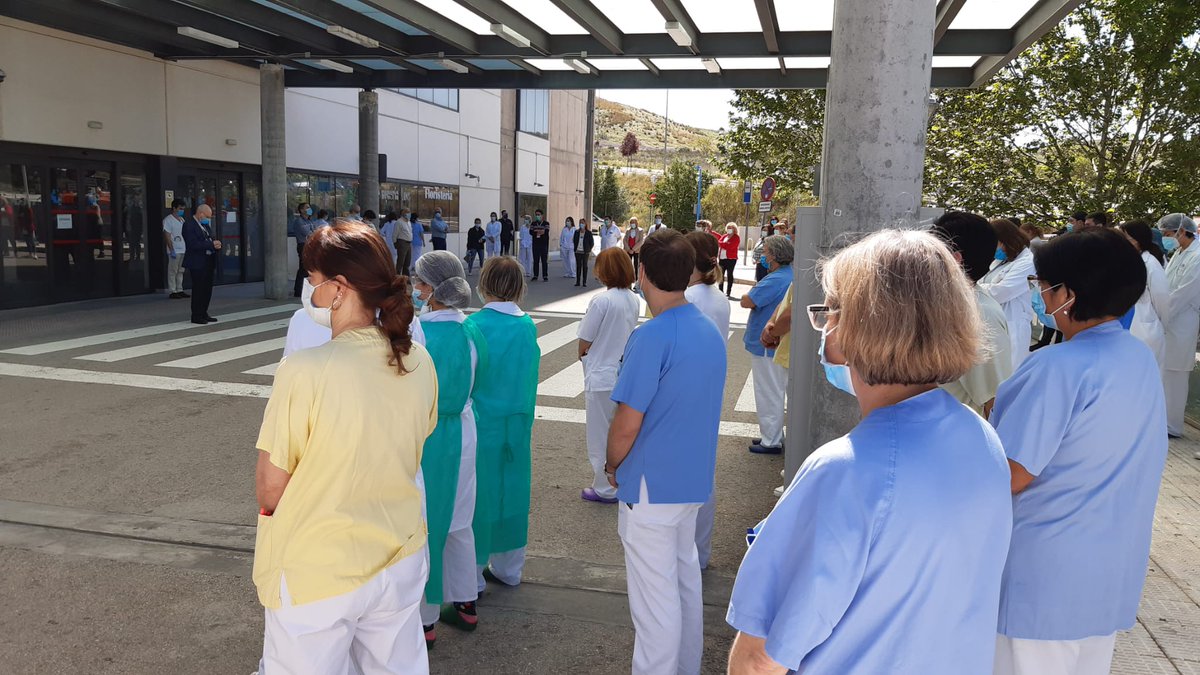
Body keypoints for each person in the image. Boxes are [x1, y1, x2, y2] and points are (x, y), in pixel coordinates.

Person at [726, 230, 1012, 674]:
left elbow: (760, 658)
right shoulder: (980, 436)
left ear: (861, 326)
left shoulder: (846, 469)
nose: (825, 325)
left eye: (831, 310)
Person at [253, 220, 436, 675]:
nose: (309, 292)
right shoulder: (417, 360)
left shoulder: (305, 371)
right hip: (399, 551)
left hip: (319, 566)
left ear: (338, 288)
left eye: (313, 281)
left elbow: (270, 490)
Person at [990, 228, 1166, 675]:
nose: (1042, 300)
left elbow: (1010, 474)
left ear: (1067, 293)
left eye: (1043, 288)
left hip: (1043, 572)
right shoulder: (1138, 357)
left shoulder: (1055, 367)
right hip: (1108, 569)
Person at [606, 229, 726, 675]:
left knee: (654, 608)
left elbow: (626, 422)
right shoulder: (707, 328)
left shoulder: (652, 336)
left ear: (642, 273)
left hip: (650, 485)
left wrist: (611, 463)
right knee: (683, 587)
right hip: (692, 480)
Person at [411, 251, 488, 647]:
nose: (414, 287)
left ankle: (424, 618)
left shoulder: (419, 332)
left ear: (431, 289)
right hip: (464, 430)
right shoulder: (472, 329)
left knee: (427, 525)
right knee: (459, 521)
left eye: (418, 281)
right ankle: (465, 599)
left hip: (428, 437)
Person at [467, 256, 540, 591]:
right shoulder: (527, 326)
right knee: (513, 493)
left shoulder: (474, 326)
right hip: (518, 423)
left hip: (483, 423)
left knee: (479, 497)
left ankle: (473, 573)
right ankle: (510, 569)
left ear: (485, 285)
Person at [930, 211, 1014, 416]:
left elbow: (995, 404)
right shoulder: (944, 305)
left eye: (931, 251)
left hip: (957, 441)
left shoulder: (980, 316)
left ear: (954, 258)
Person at [577, 248, 639, 505]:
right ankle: (619, 480)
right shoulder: (633, 299)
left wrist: (583, 355)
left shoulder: (601, 301)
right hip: (622, 372)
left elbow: (585, 339)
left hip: (601, 375)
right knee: (620, 432)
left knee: (600, 434)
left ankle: (603, 487)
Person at [683, 231, 730, 570]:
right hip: (709, 390)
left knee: (684, 474)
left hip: (687, 391)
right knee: (704, 472)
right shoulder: (718, 297)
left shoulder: (689, 298)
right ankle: (700, 551)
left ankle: (688, 552)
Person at [741, 235, 793, 454]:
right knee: (778, 389)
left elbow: (747, 301)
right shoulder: (789, 275)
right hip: (780, 344)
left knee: (768, 392)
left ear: (775, 256)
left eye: (767, 251)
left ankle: (770, 440)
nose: (764, 255)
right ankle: (774, 434)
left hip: (767, 343)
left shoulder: (774, 279)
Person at [1160, 213, 1200, 438]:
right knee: (1166, 372)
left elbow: (1185, 292)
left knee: (1176, 374)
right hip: (1170, 319)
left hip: (1183, 319)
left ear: (1182, 231)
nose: (1167, 237)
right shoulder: (1178, 253)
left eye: (1168, 233)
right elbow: (1167, 286)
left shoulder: (1198, 256)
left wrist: (1162, 312)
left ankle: (1172, 425)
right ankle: (1163, 421)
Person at [980, 218, 1036, 371]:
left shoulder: (1027, 262)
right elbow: (984, 283)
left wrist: (976, 288)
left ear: (1006, 240)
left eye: (995, 242)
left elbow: (1001, 292)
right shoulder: (1001, 261)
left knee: (1009, 371)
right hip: (994, 322)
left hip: (1013, 324)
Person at [1119, 221, 1169, 373]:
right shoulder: (1129, 262)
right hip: (1127, 329)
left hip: (1146, 331)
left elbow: (1162, 301)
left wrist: (1157, 324)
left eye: (1126, 238)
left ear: (1138, 240)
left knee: (1146, 378)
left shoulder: (1151, 264)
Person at [182, 204, 221, 325]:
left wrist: (216, 244)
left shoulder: (205, 225)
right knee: (199, 289)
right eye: (207, 216)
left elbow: (210, 238)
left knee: (207, 289)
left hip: (208, 260)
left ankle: (204, 312)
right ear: (200, 214)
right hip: (197, 262)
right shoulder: (189, 225)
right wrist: (211, 244)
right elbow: (192, 244)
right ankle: (196, 315)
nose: (208, 219)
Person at [162, 198, 188, 299]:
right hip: (175, 250)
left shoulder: (182, 220)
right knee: (173, 271)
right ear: (174, 208)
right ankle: (172, 290)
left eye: (183, 209)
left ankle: (179, 289)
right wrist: (171, 249)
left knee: (180, 270)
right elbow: (167, 236)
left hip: (183, 249)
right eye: (180, 208)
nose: (182, 210)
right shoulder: (168, 220)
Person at [290, 203, 314, 298]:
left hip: (310, 245)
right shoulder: (299, 221)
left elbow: (315, 231)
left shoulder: (309, 221)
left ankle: (305, 290)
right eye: (307, 208)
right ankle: (298, 291)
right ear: (301, 210)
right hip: (303, 245)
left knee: (308, 269)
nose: (309, 209)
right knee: (303, 268)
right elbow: (308, 233)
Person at [718, 222, 740, 298]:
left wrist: (724, 244)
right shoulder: (724, 236)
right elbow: (719, 242)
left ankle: (728, 291)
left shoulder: (736, 237)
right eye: (728, 227)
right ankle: (720, 291)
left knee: (729, 274)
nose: (729, 229)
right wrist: (725, 244)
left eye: (731, 228)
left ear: (734, 229)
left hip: (731, 259)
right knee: (721, 275)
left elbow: (730, 246)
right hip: (722, 258)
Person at [573, 217, 595, 287]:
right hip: (578, 251)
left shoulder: (588, 233)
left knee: (585, 266)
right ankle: (578, 281)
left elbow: (591, 243)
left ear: (585, 224)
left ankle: (584, 282)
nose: (581, 224)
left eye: (582, 223)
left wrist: (588, 249)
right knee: (578, 266)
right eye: (580, 223)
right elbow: (574, 241)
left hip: (585, 252)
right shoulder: (576, 232)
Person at [529, 209, 550, 282]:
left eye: (538, 215)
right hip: (535, 244)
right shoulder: (533, 223)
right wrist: (539, 232)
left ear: (542, 215)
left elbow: (546, 231)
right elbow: (531, 232)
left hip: (544, 244)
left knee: (544, 261)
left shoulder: (546, 223)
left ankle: (545, 275)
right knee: (536, 260)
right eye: (536, 215)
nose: (537, 216)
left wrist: (538, 231)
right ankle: (535, 275)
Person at [393, 208, 414, 274]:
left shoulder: (409, 222)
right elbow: (395, 234)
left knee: (407, 262)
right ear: (404, 214)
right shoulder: (399, 222)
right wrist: (395, 243)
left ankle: (406, 278)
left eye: (409, 212)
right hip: (402, 242)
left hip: (409, 243)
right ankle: (397, 276)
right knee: (400, 262)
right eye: (407, 212)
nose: (409, 214)